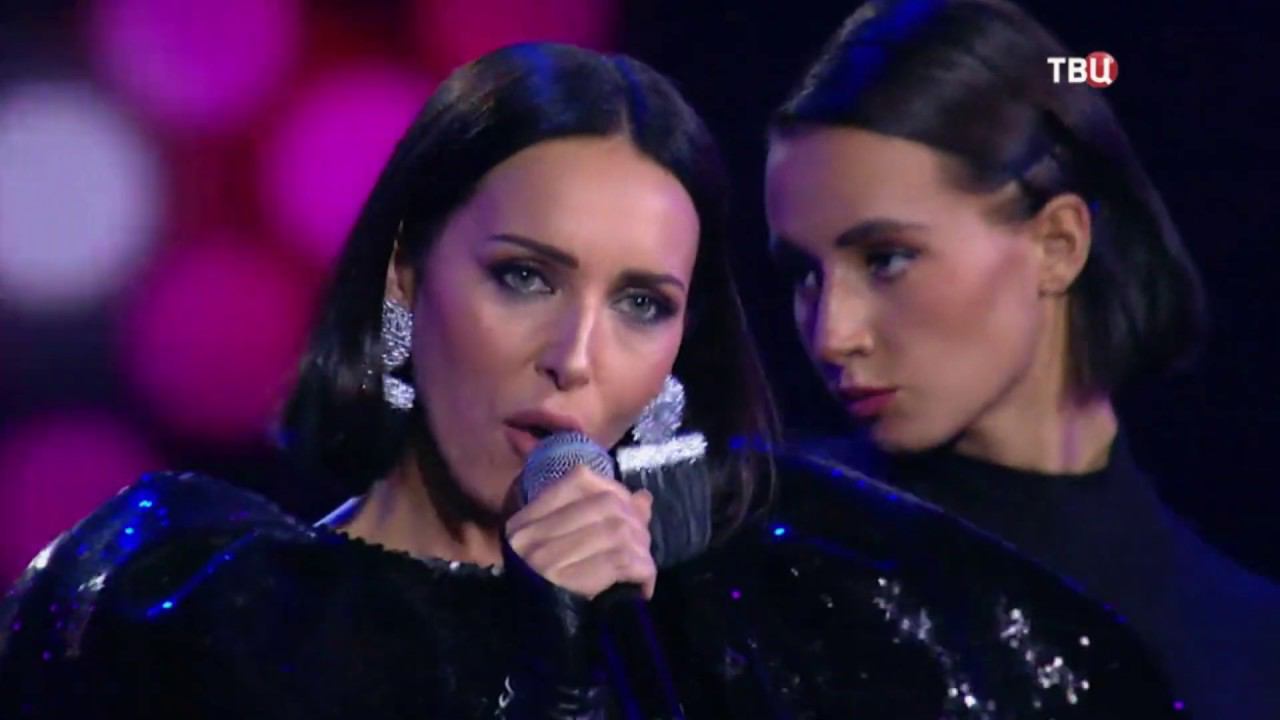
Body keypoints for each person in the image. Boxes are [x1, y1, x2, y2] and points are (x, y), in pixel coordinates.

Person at [1, 41, 1177, 719]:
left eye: (639, 304)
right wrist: (540, 654)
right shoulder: (201, 612)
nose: (575, 355)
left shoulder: (755, 602)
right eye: (523, 277)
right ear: (407, 276)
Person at [764, 1, 1280, 717]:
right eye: (804, 274)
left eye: (886, 259)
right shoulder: (770, 543)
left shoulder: (1246, 646)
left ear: (1057, 245)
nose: (831, 335)